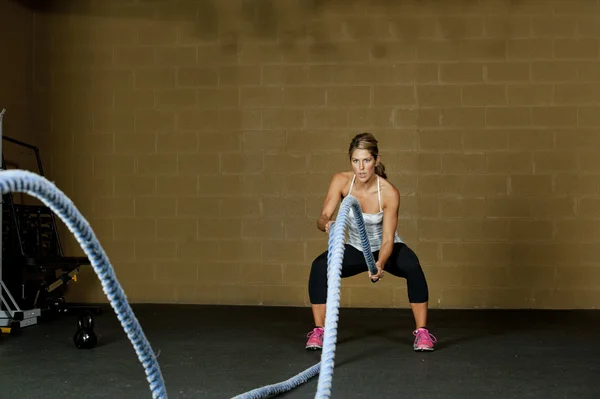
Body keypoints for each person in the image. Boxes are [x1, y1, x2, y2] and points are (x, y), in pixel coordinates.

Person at [305, 132, 437, 352]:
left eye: (366, 160)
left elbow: (387, 239)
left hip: (386, 248)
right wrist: (327, 223)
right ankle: (320, 331)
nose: (361, 168)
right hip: (356, 248)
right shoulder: (341, 181)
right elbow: (322, 217)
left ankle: (422, 333)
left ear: (376, 160)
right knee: (319, 267)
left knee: (412, 266)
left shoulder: (389, 192)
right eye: (356, 161)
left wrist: (380, 264)